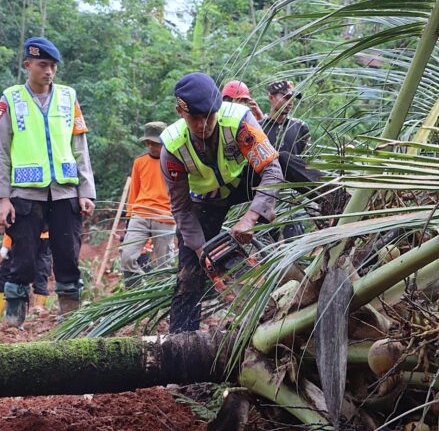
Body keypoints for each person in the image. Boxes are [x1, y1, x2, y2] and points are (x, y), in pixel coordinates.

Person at [160, 72, 321, 333]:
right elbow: (181, 208)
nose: (203, 125)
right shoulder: (172, 146)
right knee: (188, 276)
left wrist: (251, 216)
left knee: (282, 160)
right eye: (195, 118)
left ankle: (336, 199)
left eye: (209, 116)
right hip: (206, 201)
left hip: (243, 182)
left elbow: (271, 171)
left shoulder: (239, 120)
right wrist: (202, 252)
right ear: (180, 112)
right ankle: (181, 341)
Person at [0, 37, 95, 327]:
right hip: (25, 195)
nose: (49, 71)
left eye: (53, 66)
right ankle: (13, 325)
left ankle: (70, 321)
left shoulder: (68, 97)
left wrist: (86, 191)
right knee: (22, 261)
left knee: (68, 258)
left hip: (65, 192)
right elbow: (0, 150)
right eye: (42, 65)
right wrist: (3, 198)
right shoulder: (10, 99)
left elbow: (80, 147)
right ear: (28, 65)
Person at [120, 121, 175, 288]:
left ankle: (160, 297)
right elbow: (134, 191)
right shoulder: (140, 161)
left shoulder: (175, 160)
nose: (151, 146)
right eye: (148, 142)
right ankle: (135, 294)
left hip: (165, 216)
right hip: (140, 213)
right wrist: (129, 217)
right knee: (127, 257)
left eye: (155, 143)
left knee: (163, 265)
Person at [0, 231, 53, 317]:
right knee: (41, 273)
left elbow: (12, 224)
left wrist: (6, 244)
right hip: (40, 237)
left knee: (7, 273)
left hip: (25, 236)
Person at [260, 80, 310, 156]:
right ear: (271, 97)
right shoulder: (258, 127)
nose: (290, 102)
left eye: (292, 98)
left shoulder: (300, 126)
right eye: (286, 97)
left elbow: (308, 158)